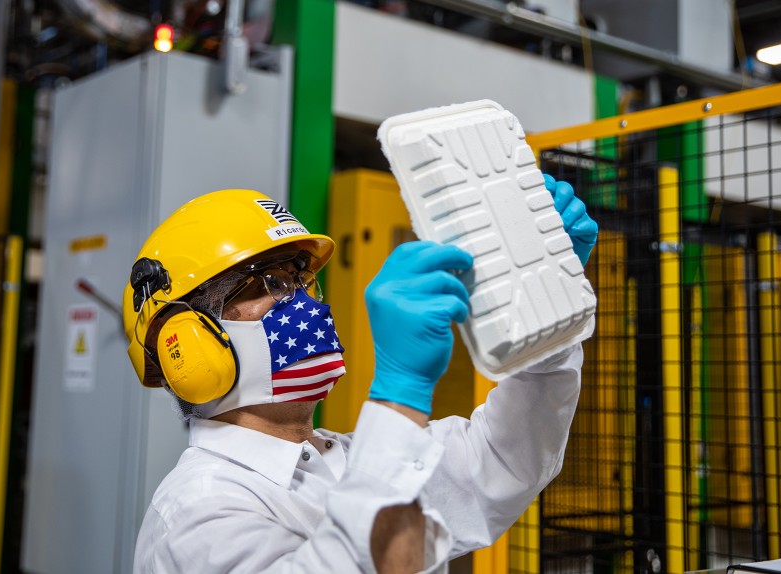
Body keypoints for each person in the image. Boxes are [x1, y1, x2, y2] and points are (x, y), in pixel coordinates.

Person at [123, 175, 597, 573]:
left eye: (305, 281)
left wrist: (547, 305)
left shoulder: (344, 460)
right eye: (274, 283)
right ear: (186, 344)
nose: (306, 303)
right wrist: (400, 391)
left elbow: (504, 458)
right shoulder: (196, 515)